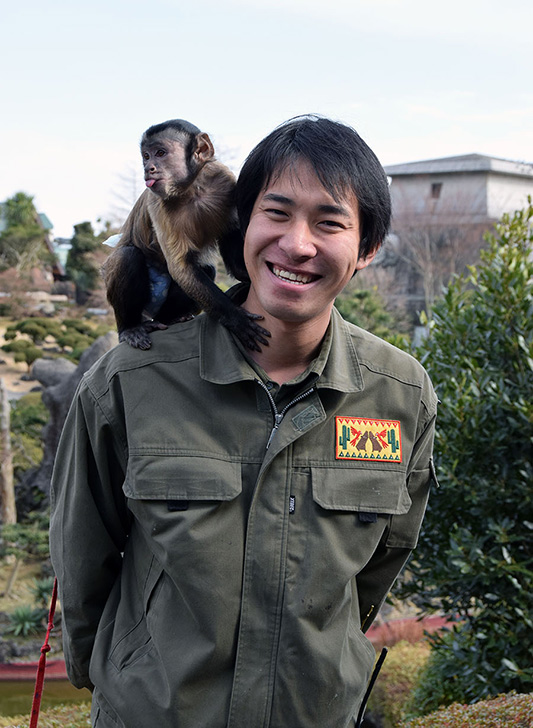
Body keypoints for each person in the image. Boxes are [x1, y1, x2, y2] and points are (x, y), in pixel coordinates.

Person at [50, 115, 437, 728]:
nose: (298, 244)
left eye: (329, 222)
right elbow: (81, 555)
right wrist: (113, 676)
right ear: (243, 220)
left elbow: (379, 564)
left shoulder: (398, 393)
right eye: (276, 213)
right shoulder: (128, 382)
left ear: (366, 250)